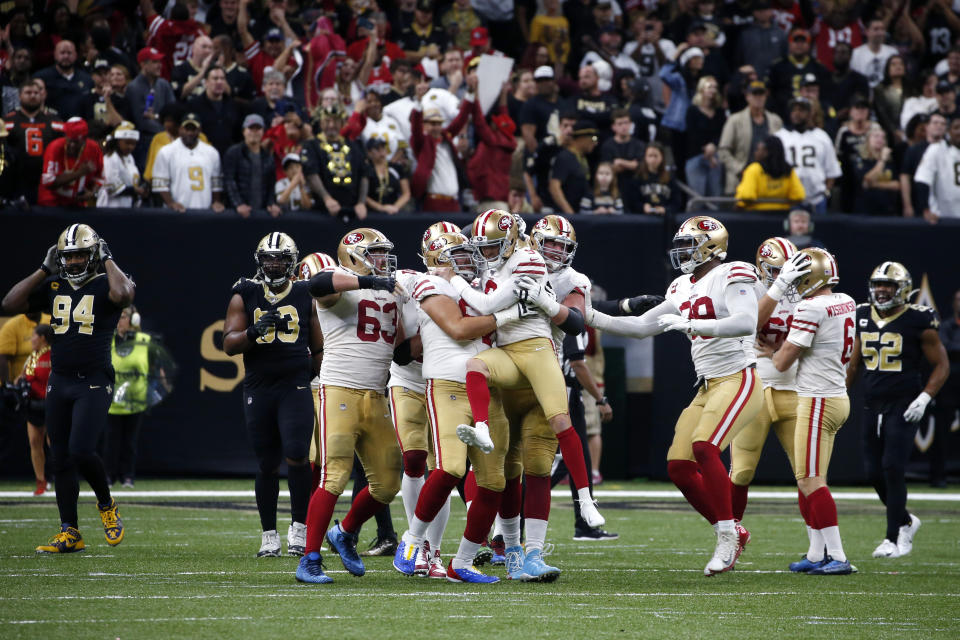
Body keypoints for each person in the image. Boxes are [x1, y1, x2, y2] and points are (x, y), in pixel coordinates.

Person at [586, 216, 762, 575]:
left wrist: (696, 325)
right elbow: (640, 327)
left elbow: (747, 321)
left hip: (738, 377)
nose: (681, 252)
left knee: (704, 447)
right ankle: (731, 530)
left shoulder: (733, 273)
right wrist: (587, 315)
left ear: (711, 245)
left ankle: (727, 536)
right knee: (679, 467)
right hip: (707, 385)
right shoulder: (681, 286)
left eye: (689, 244)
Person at [447, 210, 606, 550]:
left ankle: (583, 503)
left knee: (546, 447)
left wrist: (547, 304)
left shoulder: (531, 263)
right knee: (504, 462)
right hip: (507, 361)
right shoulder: (493, 261)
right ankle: (506, 542)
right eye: (551, 244)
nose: (556, 254)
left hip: (541, 356)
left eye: (564, 248)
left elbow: (580, 322)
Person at [393, 231, 523, 583]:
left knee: (494, 482)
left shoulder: (484, 284)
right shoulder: (425, 283)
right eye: (457, 255)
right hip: (447, 385)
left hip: (487, 388)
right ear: (436, 259)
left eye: (468, 253)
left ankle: (462, 562)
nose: (468, 260)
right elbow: (459, 329)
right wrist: (508, 315)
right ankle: (410, 543)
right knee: (449, 467)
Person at [1, 223, 134, 553]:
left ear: (93, 255)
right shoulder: (54, 283)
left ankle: (106, 504)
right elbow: (9, 303)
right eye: (68, 256)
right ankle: (69, 531)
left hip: (94, 379)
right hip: (60, 380)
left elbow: (124, 295)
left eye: (79, 256)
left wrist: (108, 258)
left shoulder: (107, 281)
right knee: (59, 457)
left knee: (81, 449)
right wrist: (43, 268)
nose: (73, 262)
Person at [295, 229, 407, 584]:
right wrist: (367, 279)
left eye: (383, 253)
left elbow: (403, 352)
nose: (382, 260)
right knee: (334, 477)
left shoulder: (391, 294)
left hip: (376, 395)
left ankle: (344, 531)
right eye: (374, 253)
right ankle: (309, 559)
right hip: (340, 391)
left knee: (388, 483)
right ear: (355, 256)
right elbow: (317, 284)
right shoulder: (340, 288)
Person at [223, 233, 322, 558]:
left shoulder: (306, 292)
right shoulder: (246, 292)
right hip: (259, 385)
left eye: (280, 258)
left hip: (294, 384)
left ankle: (298, 528)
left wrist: (310, 374)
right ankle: (268, 534)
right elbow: (228, 344)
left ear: (291, 261)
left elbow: (320, 347)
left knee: (296, 455)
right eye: (268, 258)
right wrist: (253, 332)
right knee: (266, 463)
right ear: (259, 260)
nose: (274, 264)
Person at [846, 262, 949, 559]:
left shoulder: (918, 318)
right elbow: (854, 363)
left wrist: (925, 398)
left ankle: (893, 537)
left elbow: (941, 365)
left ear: (901, 289)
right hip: (871, 401)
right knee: (873, 471)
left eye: (888, 285)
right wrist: (840, 393)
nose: (881, 290)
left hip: (904, 404)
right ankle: (905, 519)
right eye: (878, 284)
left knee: (892, 467)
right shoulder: (862, 314)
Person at [770, 248, 856, 575]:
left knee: (809, 480)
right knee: (810, 478)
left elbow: (781, 363)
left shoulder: (810, 306)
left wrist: (769, 349)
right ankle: (817, 553)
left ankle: (838, 555)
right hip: (836, 396)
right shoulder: (845, 300)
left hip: (818, 399)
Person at [728, 237, 805, 525]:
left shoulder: (807, 293)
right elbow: (752, 322)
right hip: (754, 388)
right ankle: (731, 538)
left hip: (794, 389)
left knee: (809, 474)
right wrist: (778, 287)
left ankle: (820, 546)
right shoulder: (748, 288)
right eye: (776, 270)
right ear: (762, 268)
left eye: (788, 270)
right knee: (742, 472)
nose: (784, 276)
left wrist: (781, 350)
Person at [104, 306, 152, 489]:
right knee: (111, 441)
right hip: (113, 401)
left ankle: (128, 477)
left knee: (130, 442)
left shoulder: (144, 340)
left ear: (134, 320)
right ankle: (109, 476)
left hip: (135, 400)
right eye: (119, 316)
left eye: (124, 316)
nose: (120, 320)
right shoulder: (108, 340)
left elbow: (155, 370)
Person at [409, 81, 471, 212]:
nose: (436, 127)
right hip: (434, 203)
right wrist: (419, 102)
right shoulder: (421, 142)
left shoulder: (446, 138)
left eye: (438, 123)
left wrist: (470, 94)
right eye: (431, 123)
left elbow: (461, 119)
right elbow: (415, 128)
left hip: (454, 203)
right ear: (424, 125)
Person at [776, 97, 841, 213]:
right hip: (789, 199)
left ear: (809, 113)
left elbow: (832, 171)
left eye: (801, 110)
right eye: (794, 110)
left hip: (817, 199)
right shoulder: (780, 137)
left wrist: (826, 192)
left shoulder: (822, 136)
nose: (797, 113)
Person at [302, 106, 369, 219]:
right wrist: (326, 198)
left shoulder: (353, 145)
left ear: (342, 123)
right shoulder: (311, 145)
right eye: (327, 121)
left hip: (353, 211)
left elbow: (364, 174)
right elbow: (311, 173)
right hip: (322, 211)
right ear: (321, 123)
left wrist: (361, 202)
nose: (332, 125)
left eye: (336, 120)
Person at [718, 80, 784, 196]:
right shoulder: (735, 120)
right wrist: (739, 169)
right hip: (740, 179)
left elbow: (781, 150)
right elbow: (723, 150)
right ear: (747, 96)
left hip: (769, 180)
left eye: (761, 94)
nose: (758, 97)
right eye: (755, 94)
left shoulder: (775, 120)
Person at [4, 81, 63, 204]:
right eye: (28, 92)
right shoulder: (8, 121)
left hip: (46, 178)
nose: (32, 96)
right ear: (19, 96)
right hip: (18, 179)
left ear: (42, 95)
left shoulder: (53, 120)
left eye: (36, 93)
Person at [152, 112, 225, 212]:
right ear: (180, 129)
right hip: (177, 213)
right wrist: (171, 203)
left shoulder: (212, 152)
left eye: (193, 129)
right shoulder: (166, 151)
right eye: (186, 129)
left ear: (200, 130)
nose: (189, 133)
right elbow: (160, 184)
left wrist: (216, 201)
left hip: (205, 211)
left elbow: (216, 183)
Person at [18, 324, 53, 496]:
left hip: (51, 404)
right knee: (34, 442)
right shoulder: (31, 357)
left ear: (43, 338)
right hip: (33, 404)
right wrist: (19, 384)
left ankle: (58, 476)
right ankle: (41, 481)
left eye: (34, 336)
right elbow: (23, 376)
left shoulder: (53, 354)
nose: (32, 339)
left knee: (53, 442)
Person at [37, 117, 104, 208]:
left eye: (76, 142)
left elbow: (99, 178)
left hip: (78, 206)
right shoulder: (54, 148)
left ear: (84, 139)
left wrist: (92, 193)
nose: (72, 145)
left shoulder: (94, 149)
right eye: (69, 141)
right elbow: (48, 183)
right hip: (51, 204)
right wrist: (79, 173)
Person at [223, 114, 280, 218]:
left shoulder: (268, 157)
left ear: (263, 132)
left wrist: (271, 203)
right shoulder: (233, 152)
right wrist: (238, 204)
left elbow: (271, 184)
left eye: (258, 128)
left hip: (262, 213)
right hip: (236, 214)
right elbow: (229, 180)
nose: (254, 132)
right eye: (251, 128)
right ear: (244, 131)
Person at [932, 289, 960, 487]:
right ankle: (938, 476)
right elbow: (946, 349)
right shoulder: (946, 326)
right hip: (949, 386)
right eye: (958, 299)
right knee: (942, 432)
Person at [127, 47, 178, 154]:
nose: (159, 65)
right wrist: (166, 129)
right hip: (146, 142)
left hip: (168, 138)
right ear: (143, 65)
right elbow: (142, 122)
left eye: (160, 62)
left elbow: (173, 113)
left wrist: (155, 116)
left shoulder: (164, 84)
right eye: (155, 62)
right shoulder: (134, 87)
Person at [735, 135, 806, 211]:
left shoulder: (754, 169)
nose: (755, 152)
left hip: (756, 217)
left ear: (766, 152)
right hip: (782, 216)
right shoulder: (788, 170)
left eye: (758, 149)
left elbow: (747, 196)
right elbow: (798, 195)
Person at [685, 75, 725, 197]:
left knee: (715, 196)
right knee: (697, 196)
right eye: (709, 86)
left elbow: (723, 134)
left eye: (715, 87)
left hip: (715, 156)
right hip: (696, 156)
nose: (713, 90)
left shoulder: (719, 112)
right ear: (702, 88)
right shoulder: (692, 110)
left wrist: (713, 146)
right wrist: (707, 151)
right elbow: (692, 135)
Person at [187, 66, 243, 153]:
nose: (219, 82)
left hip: (229, 157)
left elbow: (239, 135)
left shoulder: (234, 106)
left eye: (222, 79)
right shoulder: (194, 105)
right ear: (206, 82)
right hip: (203, 156)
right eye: (215, 79)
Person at [914, 117, 960, 224]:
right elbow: (922, 180)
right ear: (949, 132)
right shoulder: (936, 149)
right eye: (956, 128)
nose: (959, 131)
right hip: (942, 217)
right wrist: (925, 209)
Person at [549, 120, 598, 215]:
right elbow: (554, 187)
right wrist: (570, 213)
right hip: (565, 218)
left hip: (580, 214)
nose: (595, 143)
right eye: (593, 138)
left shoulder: (582, 158)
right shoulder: (565, 157)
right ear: (582, 138)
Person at [34, 40, 94, 117]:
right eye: (62, 53)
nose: (66, 56)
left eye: (69, 53)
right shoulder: (41, 78)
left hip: (80, 125)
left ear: (75, 55)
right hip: (51, 123)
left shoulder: (86, 79)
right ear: (55, 55)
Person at [834, 97, 873, 213]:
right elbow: (837, 154)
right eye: (857, 108)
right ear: (851, 111)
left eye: (864, 108)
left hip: (870, 170)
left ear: (868, 112)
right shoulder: (844, 131)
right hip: (849, 173)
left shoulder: (875, 128)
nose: (860, 111)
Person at [852, 124, 900, 215]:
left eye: (883, 137)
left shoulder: (890, 161)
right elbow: (867, 180)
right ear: (868, 140)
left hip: (888, 210)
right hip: (866, 211)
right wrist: (882, 160)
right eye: (876, 136)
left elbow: (897, 185)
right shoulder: (861, 159)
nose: (880, 139)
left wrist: (876, 184)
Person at [599, 108, 644, 203]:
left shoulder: (639, 144)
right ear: (613, 127)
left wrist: (620, 162)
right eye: (620, 124)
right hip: (615, 188)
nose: (624, 126)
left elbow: (640, 167)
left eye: (626, 123)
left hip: (636, 188)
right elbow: (609, 169)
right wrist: (631, 164)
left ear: (631, 124)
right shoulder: (607, 145)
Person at [98, 122, 146, 208]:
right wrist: (134, 190)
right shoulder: (111, 158)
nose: (130, 147)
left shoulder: (129, 158)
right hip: (112, 205)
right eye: (127, 143)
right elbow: (112, 184)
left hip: (127, 204)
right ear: (118, 141)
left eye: (133, 144)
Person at [627, 142, 682, 216]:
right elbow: (632, 202)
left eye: (656, 156)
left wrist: (665, 209)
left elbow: (677, 202)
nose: (653, 159)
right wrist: (643, 207)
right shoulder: (637, 177)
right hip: (642, 219)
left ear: (662, 157)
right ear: (645, 157)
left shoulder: (670, 177)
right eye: (650, 156)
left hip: (665, 219)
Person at [364, 138, 410, 214]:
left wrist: (395, 207)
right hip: (371, 214)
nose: (381, 152)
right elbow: (362, 195)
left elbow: (406, 193)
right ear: (369, 152)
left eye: (383, 148)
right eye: (377, 149)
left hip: (393, 212)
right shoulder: (366, 169)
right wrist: (380, 208)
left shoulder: (396, 168)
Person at [851, 19, 899, 89]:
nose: (880, 33)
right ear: (867, 32)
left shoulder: (892, 52)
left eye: (882, 29)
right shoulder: (856, 53)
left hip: (888, 92)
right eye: (876, 29)